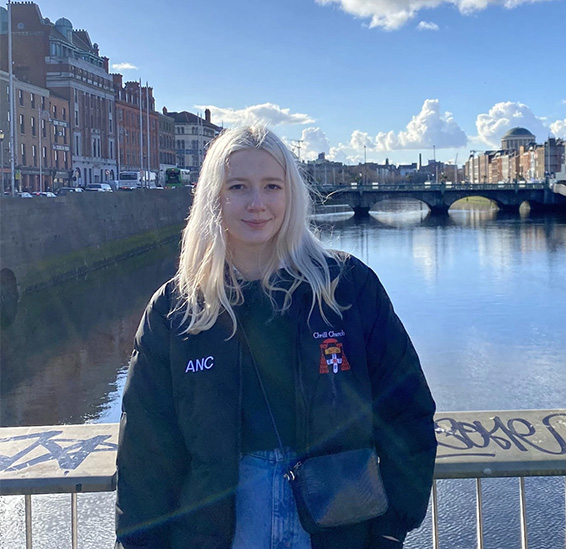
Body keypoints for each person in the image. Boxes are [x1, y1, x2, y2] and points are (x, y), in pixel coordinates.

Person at [114, 124, 437, 548]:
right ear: (214, 196)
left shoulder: (348, 288)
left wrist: (392, 527)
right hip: (217, 532)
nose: (257, 204)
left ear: (291, 195)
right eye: (238, 187)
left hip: (335, 529)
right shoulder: (175, 311)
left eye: (271, 186)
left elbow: (406, 411)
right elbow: (146, 451)